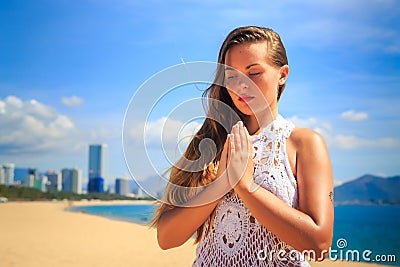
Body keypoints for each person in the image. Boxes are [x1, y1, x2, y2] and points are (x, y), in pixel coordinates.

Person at [152, 26, 334, 266]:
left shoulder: (304, 144)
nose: (241, 86)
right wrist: (221, 184)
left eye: (254, 72)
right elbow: (166, 238)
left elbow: (319, 246)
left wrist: (247, 187)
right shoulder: (209, 141)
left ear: (283, 74)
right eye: (232, 76)